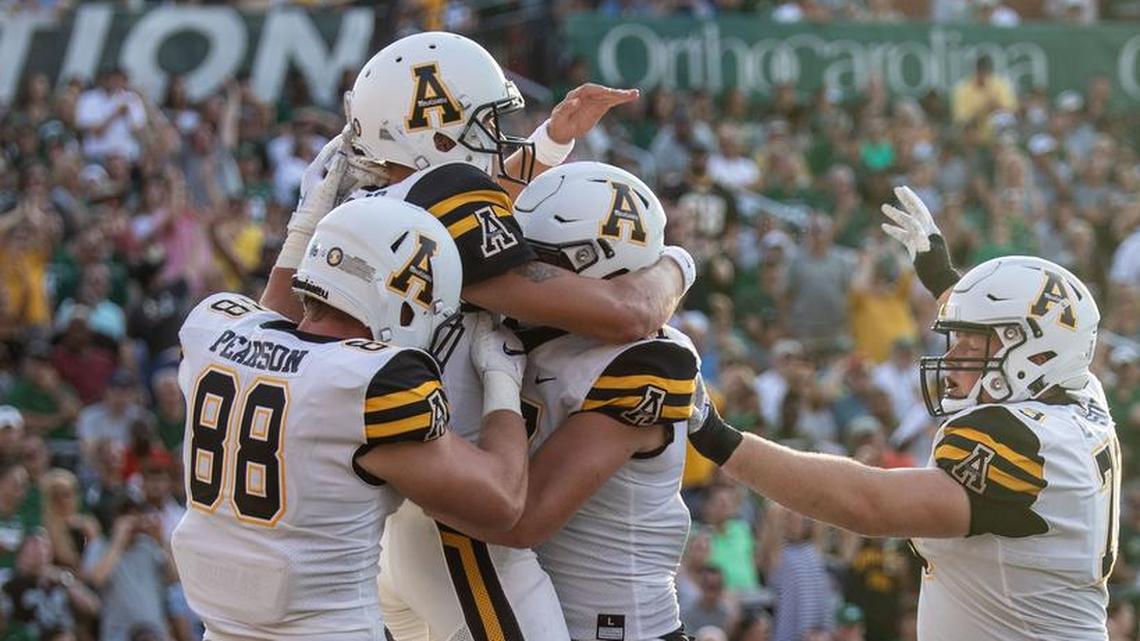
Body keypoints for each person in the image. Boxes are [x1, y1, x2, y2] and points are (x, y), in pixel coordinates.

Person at [257, 32, 695, 641]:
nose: (502, 137)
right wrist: (675, 261)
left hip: (393, 514)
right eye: (488, 122)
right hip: (465, 517)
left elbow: (275, 326)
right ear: (436, 133)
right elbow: (624, 314)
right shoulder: (446, 195)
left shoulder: (355, 206)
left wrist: (551, 142)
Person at [688, 186, 1119, 640]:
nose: (954, 359)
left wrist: (719, 439)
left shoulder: (1017, 439)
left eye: (972, 347)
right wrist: (942, 277)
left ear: (1033, 357)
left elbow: (868, 503)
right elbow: (1024, 338)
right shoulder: (1080, 394)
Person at [169, 196, 535, 639]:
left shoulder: (217, 334)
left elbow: (278, 332)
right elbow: (503, 500)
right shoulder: (367, 383)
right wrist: (501, 379)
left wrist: (305, 225)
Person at [429, 163, 701, 640]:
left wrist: (398, 472)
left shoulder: (646, 361)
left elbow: (522, 517)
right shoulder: (521, 332)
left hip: (616, 629)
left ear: (599, 264)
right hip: (518, 612)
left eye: (539, 259)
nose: (521, 273)